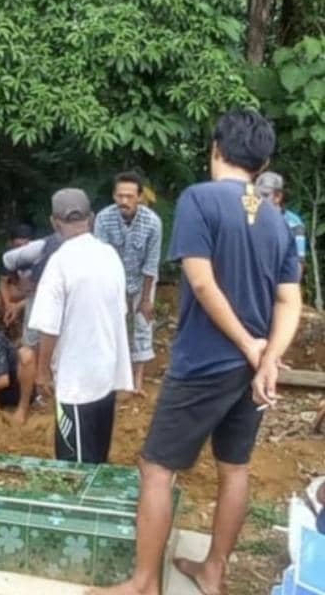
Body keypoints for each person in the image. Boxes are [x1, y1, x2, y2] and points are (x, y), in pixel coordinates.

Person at [90, 110, 301, 595]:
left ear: (215, 150)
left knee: (157, 467)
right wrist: (266, 359)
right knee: (235, 468)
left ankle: (143, 583)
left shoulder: (198, 200)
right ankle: (213, 571)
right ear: (263, 159)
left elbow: (201, 282)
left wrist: (250, 345)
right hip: (250, 371)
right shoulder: (276, 219)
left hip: (205, 361)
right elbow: (290, 299)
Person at [29, 188, 132, 463]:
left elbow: (48, 327)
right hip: (106, 376)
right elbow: (120, 313)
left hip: (75, 383)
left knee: (73, 467)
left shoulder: (60, 262)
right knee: (98, 459)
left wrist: (42, 374)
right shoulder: (110, 256)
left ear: (54, 222)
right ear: (92, 217)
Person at [93, 171, 163, 395]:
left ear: (140, 197)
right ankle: (114, 381)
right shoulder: (103, 219)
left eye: (130, 196)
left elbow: (151, 263)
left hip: (142, 279)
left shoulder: (153, 223)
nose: (125, 201)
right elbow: (101, 260)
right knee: (113, 327)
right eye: (120, 195)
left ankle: (138, 381)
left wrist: (145, 300)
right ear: (114, 196)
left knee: (142, 326)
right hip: (112, 281)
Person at [257, 171, 306, 278]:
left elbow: (298, 263)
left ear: (278, 196)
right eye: (257, 195)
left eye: (265, 195)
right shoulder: (251, 219)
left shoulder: (293, 222)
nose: (259, 200)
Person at [0, 223, 33, 327]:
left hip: (39, 291)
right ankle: (14, 327)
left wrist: (19, 305)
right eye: (18, 246)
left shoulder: (39, 254)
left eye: (26, 246)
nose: (22, 250)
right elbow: (3, 283)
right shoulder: (8, 257)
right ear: (10, 244)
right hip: (22, 289)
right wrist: (8, 305)